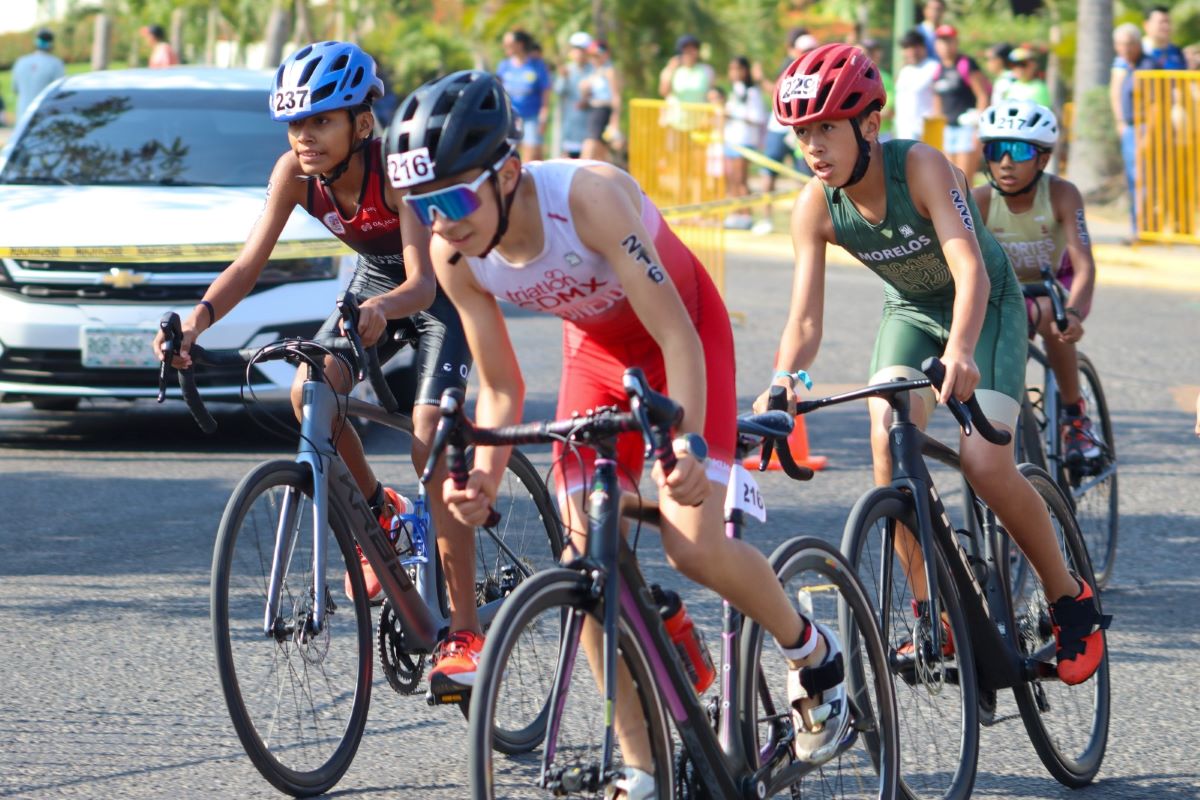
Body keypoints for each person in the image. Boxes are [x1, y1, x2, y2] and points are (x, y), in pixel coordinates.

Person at [387, 69, 850, 794]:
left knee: (691, 543)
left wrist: (690, 444)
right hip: (597, 355)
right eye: (422, 208)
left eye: (451, 197)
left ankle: (811, 649)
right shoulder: (456, 257)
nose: (440, 223)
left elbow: (677, 334)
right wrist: (483, 478)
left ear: (508, 172)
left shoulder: (588, 200)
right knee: (588, 562)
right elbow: (503, 388)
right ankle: (642, 767)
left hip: (683, 340)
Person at [756, 44, 1107, 688]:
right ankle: (931, 609)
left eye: (826, 128)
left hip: (987, 307)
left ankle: (1070, 599)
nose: (813, 146)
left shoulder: (918, 165)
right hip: (913, 311)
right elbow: (805, 321)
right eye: (803, 133)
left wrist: (963, 351)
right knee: (887, 441)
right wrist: (783, 381)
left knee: (983, 463)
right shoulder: (815, 204)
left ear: (868, 124)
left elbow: (970, 267)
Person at [152, 42, 484, 695]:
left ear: (362, 123)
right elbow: (248, 266)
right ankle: (377, 510)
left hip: (440, 293)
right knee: (311, 393)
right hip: (372, 287)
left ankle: (465, 630)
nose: (304, 136)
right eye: (295, 122)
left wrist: (380, 312)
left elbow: (420, 283)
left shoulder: (396, 171)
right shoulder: (294, 175)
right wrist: (195, 322)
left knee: (429, 442)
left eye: (322, 121)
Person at [973, 101, 1099, 462]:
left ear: (1042, 160)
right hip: (1004, 290)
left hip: (1053, 284)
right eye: (997, 151)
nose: (1007, 162)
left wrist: (1072, 312)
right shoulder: (980, 200)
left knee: (1050, 317)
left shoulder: (1061, 193)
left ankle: (1075, 417)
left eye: (1020, 151)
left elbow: (1084, 265)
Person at [754, 30, 818, 234]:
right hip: (779, 127)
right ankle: (766, 218)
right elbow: (777, 92)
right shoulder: (789, 67)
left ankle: (805, 221)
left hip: (801, 130)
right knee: (768, 173)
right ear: (796, 51)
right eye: (804, 50)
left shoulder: (819, 71)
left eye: (811, 50)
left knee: (803, 176)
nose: (807, 53)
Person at [1110, 23, 1153, 237]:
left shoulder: (1148, 66)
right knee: (1134, 179)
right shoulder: (1127, 66)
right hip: (1130, 128)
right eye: (1119, 45)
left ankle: (1143, 228)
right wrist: (1120, 122)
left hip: (1145, 128)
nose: (1124, 49)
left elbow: (1156, 103)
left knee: (1142, 179)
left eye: (1128, 44)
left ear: (1137, 44)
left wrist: (1149, 133)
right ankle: (1137, 227)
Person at [931, 25, 989, 179]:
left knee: (964, 178)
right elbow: (937, 100)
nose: (945, 45)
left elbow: (982, 95)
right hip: (948, 128)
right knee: (949, 178)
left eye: (949, 41)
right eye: (941, 41)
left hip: (966, 128)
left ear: (956, 42)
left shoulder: (966, 64)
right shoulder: (939, 69)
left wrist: (977, 128)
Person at [722, 55, 766, 229]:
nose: (734, 73)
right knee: (731, 179)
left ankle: (747, 215)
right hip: (731, 139)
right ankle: (735, 213)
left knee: (741, 179)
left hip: (745, 140)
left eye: (737, 69)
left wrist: (733, 115)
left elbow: (757, 117)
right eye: (731, 69)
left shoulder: (752, 92)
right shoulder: (734, 91)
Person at [497, 29, 552, 162]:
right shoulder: (504, 66)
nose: (505, 47)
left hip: (531, 117)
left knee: (531, 154)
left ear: (519, 44)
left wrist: (544, 114)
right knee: (509, 154)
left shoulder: (537, 66)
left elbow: (545, 91)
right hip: (510, 118)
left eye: (508, 44)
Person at [580, 39, 622, 161]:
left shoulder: (609, 71)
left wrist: (615, 121)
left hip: (602, 111)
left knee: (590, 149)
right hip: (593, 111)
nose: (594, 59)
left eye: (597, 56)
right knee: (599, 154)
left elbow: (616, 96)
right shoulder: (595, 71)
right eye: (592, 56)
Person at [893, 29, 939, 142]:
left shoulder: (934, 67)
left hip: (925, 132)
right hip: (903, 131)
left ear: (923, 47)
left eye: (914, 47)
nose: (911, 51)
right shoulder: (905, 70)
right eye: (906, 48)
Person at [11, 28, 65, 123]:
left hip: (22, 115)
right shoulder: (56, 63)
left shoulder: (21, 62)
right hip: (45, 116)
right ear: (51, 43)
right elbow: (59, 92)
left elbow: (15, 89)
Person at [555, 32, 594, 159]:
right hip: (570, 129)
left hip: (590, 127)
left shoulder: (594, 70)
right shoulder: (567, 70)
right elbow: (559, 91)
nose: (579, 53)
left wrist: (588, 101)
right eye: (576, 49)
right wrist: (563, 78)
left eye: (582, 50)